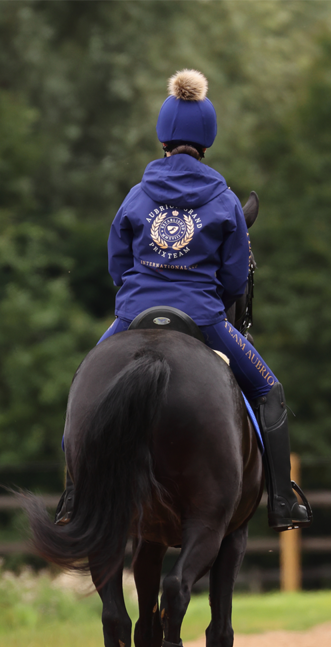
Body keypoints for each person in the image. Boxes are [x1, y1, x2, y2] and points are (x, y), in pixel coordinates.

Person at [56, 70, 310, 532]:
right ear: (207, 141)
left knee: (83, 385)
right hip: (205, 319)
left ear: (163, 139)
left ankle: (73, 494)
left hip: (134, 314)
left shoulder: (137, 196)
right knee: (269, 392)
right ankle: (280, 502)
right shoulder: (224, 200)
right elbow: (234, 278)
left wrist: (139, 292)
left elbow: (117, 264)